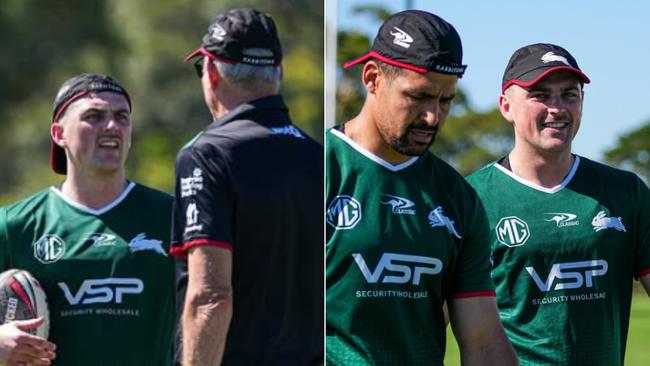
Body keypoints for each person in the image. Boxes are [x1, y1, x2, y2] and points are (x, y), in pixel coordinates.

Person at [326, 10, 518, 365]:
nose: (432, 116)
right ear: (372, 78)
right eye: (418, 96)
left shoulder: (457, 197)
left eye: (446, 101)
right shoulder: (319, 170)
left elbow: (485, 344)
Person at [466, 43, 650, 365]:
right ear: (506, 106)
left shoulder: (625, 191)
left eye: (569, 94)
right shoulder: (470, 198)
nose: (557, 108)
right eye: (540, 95)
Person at [171, 7, 323, 365]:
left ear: (210, 71)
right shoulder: (319, 155)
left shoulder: (207, 154)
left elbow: (210, 296)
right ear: (278, 73)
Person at [0, 73, 176, 365]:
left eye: (122, 117)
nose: (111, 126)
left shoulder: (170, 216)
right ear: (58, 134)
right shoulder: (15, 226)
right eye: (94, 116)